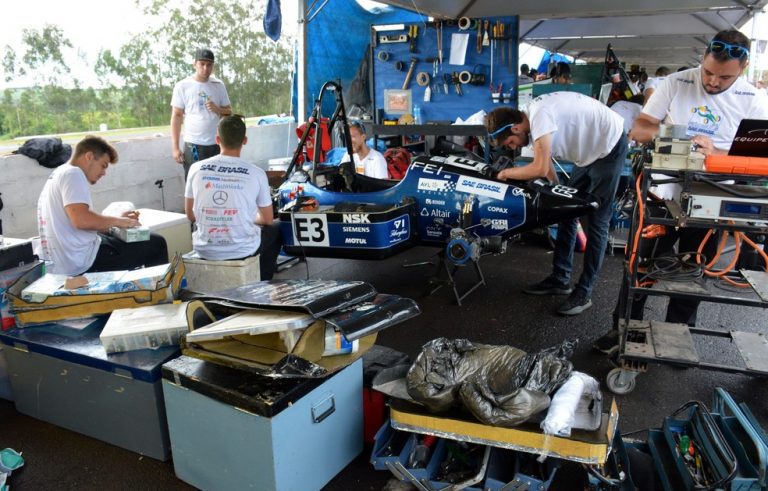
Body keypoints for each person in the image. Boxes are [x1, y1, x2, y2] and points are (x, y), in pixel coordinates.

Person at [594, 29, 768, 353]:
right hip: (660, 194)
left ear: (742, 69)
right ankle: (622, 329)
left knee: (691, 269)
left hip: (710, 199)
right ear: (703, 59)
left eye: (723, 77)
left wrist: (717, 155)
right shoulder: (676, 83)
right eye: (709, 72)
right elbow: (641, 128)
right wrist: (678, 138)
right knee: (640, 264)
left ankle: (678, 337)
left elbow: (758, 158)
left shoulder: (755, 100)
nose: (713, 82)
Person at [485, 91, 627, 315]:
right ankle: (560, 279)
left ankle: (584, 292)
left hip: (609, 147)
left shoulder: (539, 115)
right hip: (587, 154)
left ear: (515, 128)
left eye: (511, 142)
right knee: (565, 211)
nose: (512, 148)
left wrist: (505, 175)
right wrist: (558, 190)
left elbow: (539, 167)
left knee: (597, 220)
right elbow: (546, 162)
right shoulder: (531, 119)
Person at [37, 136, 169, 276]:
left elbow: (80, 218)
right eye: (103, 165)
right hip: (81, 261)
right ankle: (159, 293)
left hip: (69, 256)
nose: (104, 173)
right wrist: (120, 221)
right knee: (156, 243)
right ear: (89, 156)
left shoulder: (59, 173)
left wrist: (115, 221)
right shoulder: (73, 173)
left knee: (129, 237)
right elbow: (82, 220)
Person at [184, 115, 282, 280]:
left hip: (205, 250)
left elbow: (190, 215)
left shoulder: (195, 168)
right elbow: (267, 219)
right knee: (275, 230)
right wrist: (244, 216)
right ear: (245, 140)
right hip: (242, 250)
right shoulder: (256, 173)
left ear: (217, 139)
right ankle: (262, 284)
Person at [171, 48, 232, 178]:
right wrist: (175, 147)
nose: (205, 68)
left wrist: (218, 110)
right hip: (193, 145)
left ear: (213, 66)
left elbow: (229, 112)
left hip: (216, 144)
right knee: (194, 185)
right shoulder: (183, 86)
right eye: (202, 64)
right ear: (195, 64)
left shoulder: (218, 85)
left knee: (217, 184)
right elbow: (176, 116)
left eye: (209, 65)